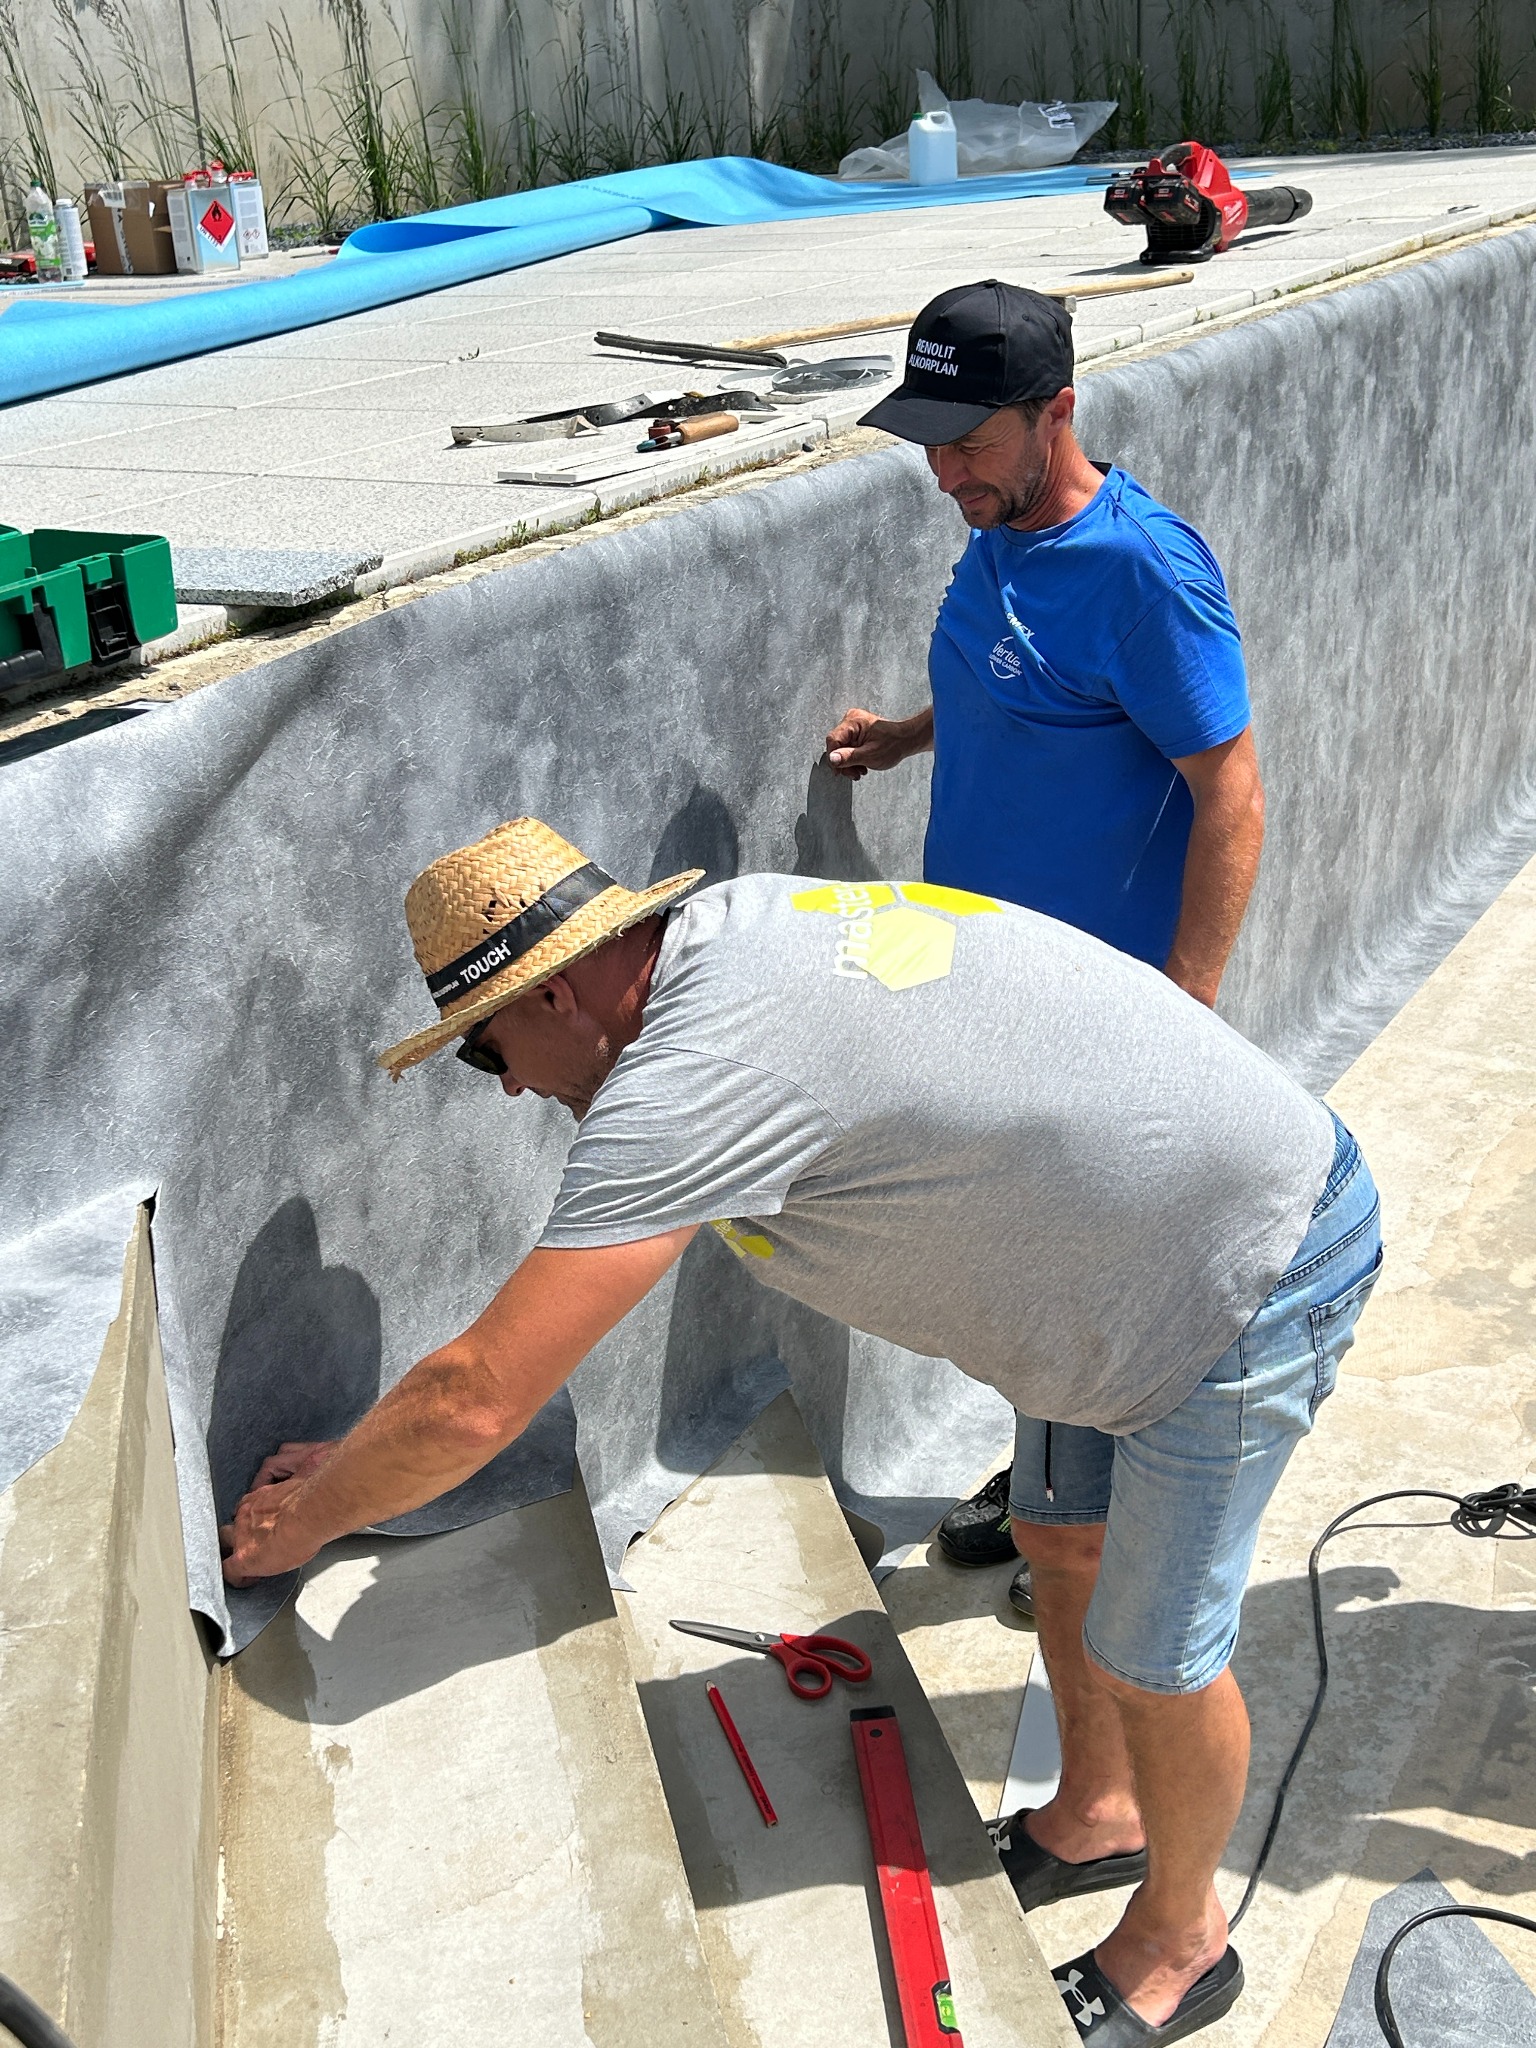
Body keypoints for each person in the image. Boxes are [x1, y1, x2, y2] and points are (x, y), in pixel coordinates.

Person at [222, 818, 1381, 2046]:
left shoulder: (693, 1071)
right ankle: (1094, 1816)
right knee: (1057, 1538)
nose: (506, 1083)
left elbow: (477, 1396)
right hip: (1122, 1264)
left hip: (1242, 1269)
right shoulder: (727, 935)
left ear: (554, 989)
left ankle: (1181, 1942)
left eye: (486, 1048)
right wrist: (358, 1465)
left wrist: (304, 1518)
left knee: (1160, 1654)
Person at [825, 280, 1266, 1597]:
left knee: (1100, 1286)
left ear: (1057, 411)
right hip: (988, 989)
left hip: (1102, 1013)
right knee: (1025, 1274)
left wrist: (1184, 1004)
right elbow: (1014, 682)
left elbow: (1231, 791)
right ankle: (1051, 1481)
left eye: (969, 441)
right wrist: (907, 736)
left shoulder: (1141, 571)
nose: (942, 471)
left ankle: (1100, 1537)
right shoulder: (998, 530)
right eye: (927, 441)